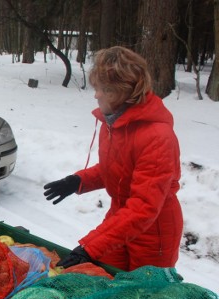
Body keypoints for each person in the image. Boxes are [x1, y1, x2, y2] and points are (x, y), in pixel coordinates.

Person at [43, 46, 183, 271]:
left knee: (144, 295)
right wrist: (78, 181)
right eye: (97, 87)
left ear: (124, 92)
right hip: (120, 217)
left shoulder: (158, 137)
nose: (96, 94)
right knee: (108, 280)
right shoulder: (113, 123)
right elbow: (115, 169)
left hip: (153, 229)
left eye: (104, 89)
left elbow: (144, 207)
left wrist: (90, 247)